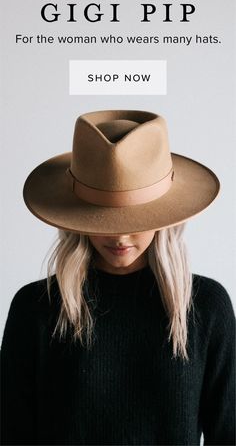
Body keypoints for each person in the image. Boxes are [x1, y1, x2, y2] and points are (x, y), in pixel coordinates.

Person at [1, 110, 235, 445]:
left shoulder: (206, 308)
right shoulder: (36, 309)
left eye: (136, 218)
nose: (120, 237)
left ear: (166, 216)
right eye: (104, 218)